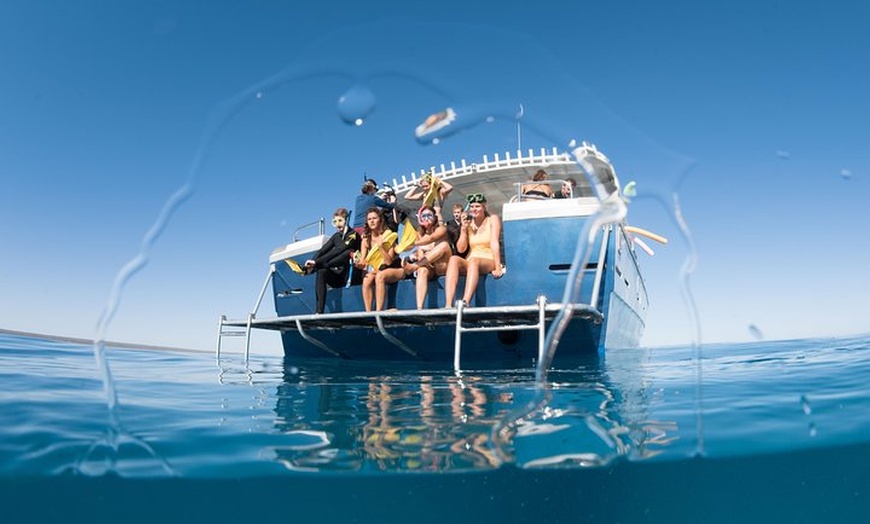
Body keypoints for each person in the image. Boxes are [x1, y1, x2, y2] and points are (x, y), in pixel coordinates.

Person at [444, 194, 505, 308]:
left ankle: (465, 302)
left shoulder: (492, 219)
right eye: (472, 207)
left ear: (484, 207)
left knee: (474, 261)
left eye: (477, 206)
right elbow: (461, 249)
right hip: (471, 260)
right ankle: (448, 304)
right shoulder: (469, 223)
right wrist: (463, 229)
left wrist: (498, 266)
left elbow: (494, 242)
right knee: (453, 259)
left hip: (488, 259)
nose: (474, 209)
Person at [303, 208, 360, 314]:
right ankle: (319, 311)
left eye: (340, 221)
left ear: (346, 220)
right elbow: (321, 251)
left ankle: (315, 268)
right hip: (339, 277)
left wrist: (316, 263)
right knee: (322, 271)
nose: (337, 225)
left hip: (351, 277)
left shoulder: (353, 235)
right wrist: (310, 262)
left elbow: (339, 251)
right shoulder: (336, 236)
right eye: (334, 222)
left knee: (347, 252)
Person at [401, 205, 452, 309]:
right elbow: (420, 257)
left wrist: (414, 243)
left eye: (430, 215)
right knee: (422, 270)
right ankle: (419, 308)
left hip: (443, 266)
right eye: (424, 216)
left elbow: (433, 238)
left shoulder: (441, 229)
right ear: (420, 219)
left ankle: (413, 267)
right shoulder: (420, 236)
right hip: (430, 269)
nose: (427, 218)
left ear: (435, 217)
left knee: (444, 245)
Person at [355, 207, 399, 312]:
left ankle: (379, 312)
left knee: (380, 276)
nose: (372, 221)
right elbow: (363, 261)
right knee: (366, 279)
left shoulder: (388, 235)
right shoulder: (366, 239)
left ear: (380, 219)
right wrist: (360, 265)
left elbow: (389, 262)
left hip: (395, 269)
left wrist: (381, 247)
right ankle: (368, 312)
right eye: (369, 219)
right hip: (378, 270)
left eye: (374, 218)